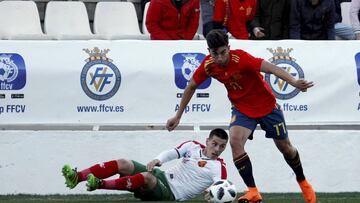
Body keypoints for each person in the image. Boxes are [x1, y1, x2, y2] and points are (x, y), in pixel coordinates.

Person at [166, 29, 316, 203]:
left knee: (286, 148)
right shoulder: (208, 65)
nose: (220, 58)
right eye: (215, 54)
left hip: (267, 107)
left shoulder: (242, 58)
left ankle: (302, 181)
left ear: (228, 48)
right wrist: (178, 116)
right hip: (242, 109)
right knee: (235, 141)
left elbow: (270, 67)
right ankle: (253, 191)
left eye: (223, 52)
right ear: (209, 52)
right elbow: (191, 86)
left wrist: (294, 82)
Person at [62, 128, 229, 201]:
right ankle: (77, 177)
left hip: (170, 193)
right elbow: (172, 153)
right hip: (162, 176)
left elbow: (220, 186)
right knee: (124, 163)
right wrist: (158, 160)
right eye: (214, 144)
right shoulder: (192, 146)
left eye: (222, 146)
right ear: (207, 141)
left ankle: (99, 184)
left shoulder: (219, 167)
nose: (217, 149)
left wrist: (212, 194)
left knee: (146, 177)